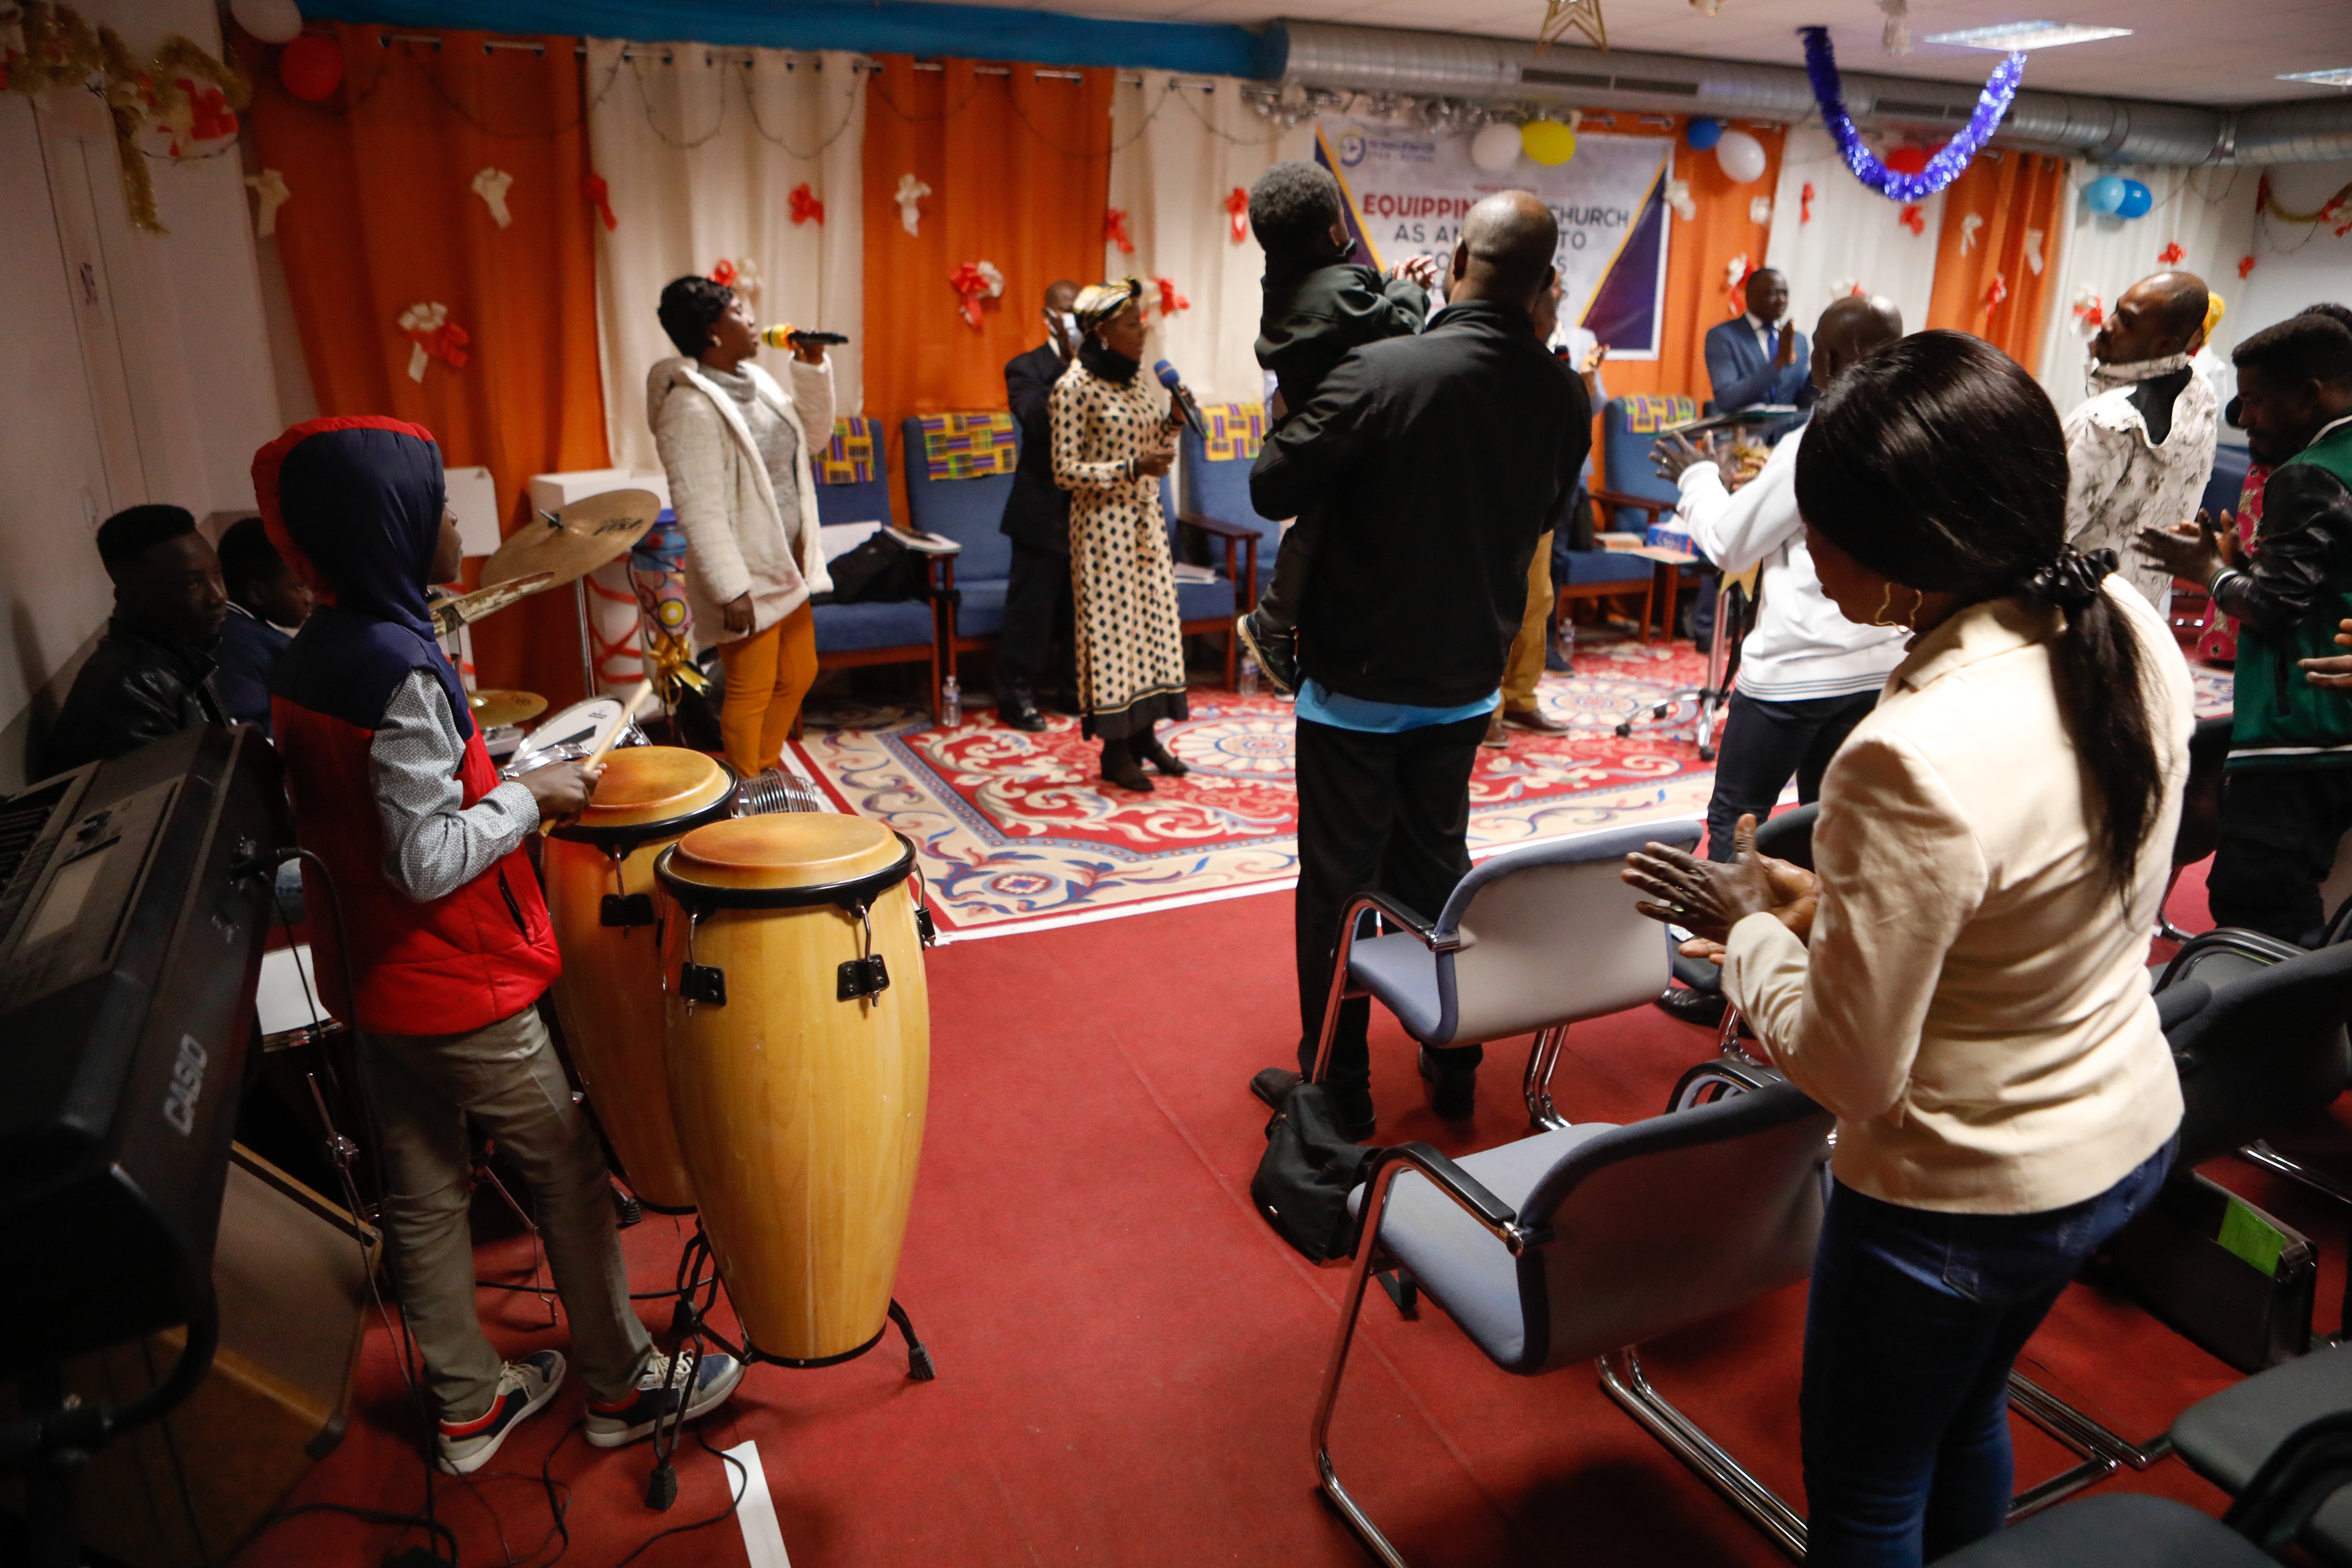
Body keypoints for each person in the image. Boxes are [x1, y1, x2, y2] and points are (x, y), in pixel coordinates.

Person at [1625, 331, 2189, 1567]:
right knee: (1965, 1405)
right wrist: (1831, 906)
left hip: (1963, 1191)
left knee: (1869, 1476)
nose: (1804, 560)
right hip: (2118, 1131)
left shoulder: (1904, 754)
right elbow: (2035, 899)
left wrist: (1750, 931)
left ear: (1901, 557)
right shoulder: (2126, 627)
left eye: (1817, 534)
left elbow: (1849, 1070)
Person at [255, 416, 743, 1476]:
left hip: (371, 972)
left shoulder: (313, 653)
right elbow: (426, 856)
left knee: (424, 1191)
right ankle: (622, 1385)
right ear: (384, 526)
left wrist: (496, 772)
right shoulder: (396, 667)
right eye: (433, 510)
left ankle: (469, 1408)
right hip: (456, 977)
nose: (454, 530)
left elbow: (367, 810)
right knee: (567, 1172)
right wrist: (528, 794)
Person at [1244, 191, 1584, 1134]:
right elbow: (1541, 515)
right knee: (1435, 871)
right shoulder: (1563, 393)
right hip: (1466, 677)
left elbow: (1270, 482)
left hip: (1358, 680)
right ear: (1543, 283)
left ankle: (1338, 1091)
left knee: (1339, 893)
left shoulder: (1381, 371)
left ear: (1458, 257)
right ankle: (1455, 1068)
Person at [1645, 295, 1912, 1026]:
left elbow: (1732, 545)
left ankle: (1721, 975)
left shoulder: (1820, 437)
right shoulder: (1925, 427)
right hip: (1879, 663)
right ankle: (1818, 958)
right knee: (1836, 825)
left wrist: (1698, 479)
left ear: (1824, 361)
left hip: (1794, 669)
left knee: (1741, 822)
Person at [2136, 310, 2352, 942]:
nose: (2246, 417)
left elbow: (2277, 608)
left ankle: (2282, 1033)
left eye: (2256, 401)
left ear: (2309, 395)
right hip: (2335, 729)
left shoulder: (2310, 473)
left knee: (2257, 903)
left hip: (2300, 729)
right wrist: (2246, 566)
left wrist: (2209, 572)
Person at [1232, 160, 1437, 695]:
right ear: (1333, 230)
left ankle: (1274, 622)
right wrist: (1409, 289)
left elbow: (1360, 309)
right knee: (1324, 523)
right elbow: (1405, 335)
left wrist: (1387, 285)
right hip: (1339, 439)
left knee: (1318, 526)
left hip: (1312, 432)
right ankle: (1271, 623)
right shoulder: (1338, 294)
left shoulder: (1285, 281)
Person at [648, 275, 834, 779]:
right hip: (747, 576)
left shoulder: (762, 383)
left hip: (787, 561)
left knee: (799, 674)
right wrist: (732, 588)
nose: (753, 320)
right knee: (752, 689)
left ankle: (763, 769)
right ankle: (746, 790)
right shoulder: (688, 407)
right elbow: (698, 506)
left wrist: (812, 366)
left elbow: (813, 440)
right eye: (739, 311)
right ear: (712, 331)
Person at [1051, 280, 1192, 792]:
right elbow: (1064, 470)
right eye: (1132, 323)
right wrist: (1131, 467)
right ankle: (1115, 752)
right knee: (1113, 638)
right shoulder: (1073, 387)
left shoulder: (1135, 382)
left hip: (1144, 526)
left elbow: (1154, 446)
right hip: (1101, 531)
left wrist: (1174, 420)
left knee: (1152, 631)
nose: (1142, 330)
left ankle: (1146, 738)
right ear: (1102, 331)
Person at [2064, 270, 2220, 610]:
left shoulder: (2109, 420)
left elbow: (2048, 527)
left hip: (2071, 610)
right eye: (2116, 310)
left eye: (2126, 321)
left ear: (2163, 344)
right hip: (2138, 614)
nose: (2106, 324)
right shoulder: (2201, 395)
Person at [41, 504, 228, 777]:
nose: (218, 596)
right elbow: (173, 804)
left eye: (217, 575)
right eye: (191, 584)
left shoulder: (180, 652)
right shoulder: (130, 688)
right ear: (133, 598)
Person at [1484, 278, 1592, 745]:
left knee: (1535, 604)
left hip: (1540, 509)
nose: (1554, 325)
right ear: (1533, 316)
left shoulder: (1555, 371)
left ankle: (1520, 699)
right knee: (1492, 610)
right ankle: (1485, 705)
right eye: (1549, 315)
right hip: (1490, 514)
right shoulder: (1489, 363)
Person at [996, 280, 1084, 732]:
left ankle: (1073, 692)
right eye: (1067, 312)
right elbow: (1038, 422)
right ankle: (1016, 697)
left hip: (1090, 513)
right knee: (1031, 614)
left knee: (1080, 613)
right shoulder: (1025, 367)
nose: (1075, 320)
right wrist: (1069, 368)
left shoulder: (1102, 367)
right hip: (1040, 512)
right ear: (1048, 317)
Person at [213, 514, 314, 739]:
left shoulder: (249, 632)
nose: (310, 597)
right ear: (257, 593)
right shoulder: (236, 646)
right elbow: (250, 731)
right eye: (299, 586)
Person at [1704, 267, 1809, 414]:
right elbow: (1726, 400)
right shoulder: (1723, 337)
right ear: (1749, 297)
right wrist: (1777, 365)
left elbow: (1804, 397)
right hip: (1743, 434)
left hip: (1788, 435)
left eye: (1785, 293)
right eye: (1772, 293)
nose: (1782, 301)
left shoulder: (1798, 341)